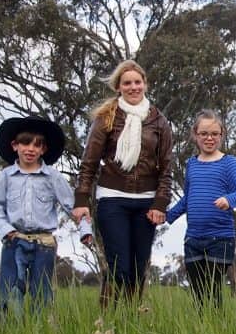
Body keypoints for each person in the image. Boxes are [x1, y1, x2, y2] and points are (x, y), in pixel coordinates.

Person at [72, 60, 173, 306]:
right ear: (119, 87)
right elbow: (90, 162)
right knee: (120, 266)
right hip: (112, 198)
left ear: (145, 85)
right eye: (127, 83)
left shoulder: (159, 122)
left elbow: (167, 167)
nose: (133, 87)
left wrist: (160, 204)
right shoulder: (106, 118)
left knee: (138, 270)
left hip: (146, 203)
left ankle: (131, 322)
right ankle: (107, 322)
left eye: (137, 82)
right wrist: (82, 200)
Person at [0, 116, 93, 317]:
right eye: (25, 143)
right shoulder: (6, 176)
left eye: (37, 145)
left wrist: (85, 230)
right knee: (10, 292)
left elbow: (74, 207)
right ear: (15, 145)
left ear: (43, 150)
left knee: (42, 295)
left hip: (44, 244)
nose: (30, 149)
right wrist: (6, 230)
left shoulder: (53, 176)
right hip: (14, 241)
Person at [166, 110, 236, 309]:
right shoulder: (192, 164)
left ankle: (217, 332)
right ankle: (202, 333)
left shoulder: (228, 163)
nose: (209, 138)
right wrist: (168, 215)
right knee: (198, 295)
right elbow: (188, 198)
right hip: (193, 239)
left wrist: (229, 199)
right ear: (195, 135)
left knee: (212, 292)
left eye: (215, 133)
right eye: (204, 133)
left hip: (220, 239)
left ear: (222, 135)